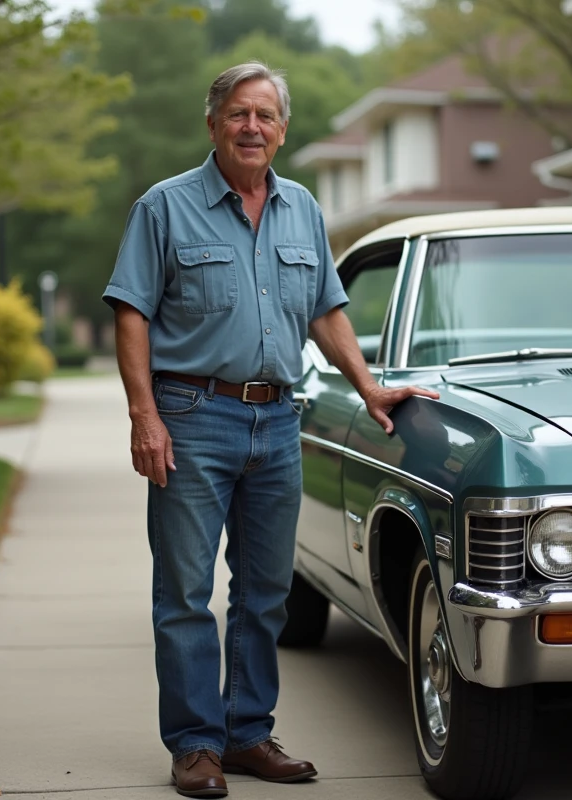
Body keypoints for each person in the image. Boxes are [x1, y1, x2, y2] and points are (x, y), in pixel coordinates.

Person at [101, 61, 439, 798]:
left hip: (277, 420)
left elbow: (325, 312)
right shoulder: (165, 207)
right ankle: (195, 745)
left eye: (266, 116)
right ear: (214, 123)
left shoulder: (303, 210)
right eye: (238, 114)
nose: (252, 127)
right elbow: (132, 311)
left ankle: (248, 733)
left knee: (265, 591)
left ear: (282, 130)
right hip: (191, 418)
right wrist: (144, 415)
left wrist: (369, 386)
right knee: (186, 591)